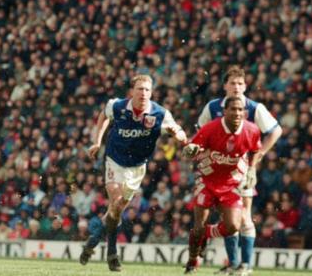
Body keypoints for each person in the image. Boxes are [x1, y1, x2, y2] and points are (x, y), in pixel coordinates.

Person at [79, 74, 188, 272]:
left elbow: (179, 131)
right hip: (115, 161)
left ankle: (93, 241)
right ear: (132, 91)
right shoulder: (118, 106)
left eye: (147, 90)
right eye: (140, 89)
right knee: (115, 199)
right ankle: (112, 254)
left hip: (137, 167)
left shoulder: (160, 113)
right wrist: (97, 140)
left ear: (151, 92)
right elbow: (103, 115)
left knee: (117, 209)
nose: (144, 93)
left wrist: (179, 136)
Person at [198, 66, 281, 276]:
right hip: (218, 171)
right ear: (225, 86)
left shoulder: (254, 108)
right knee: (228, 219)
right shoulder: (213, 107)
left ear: (245, 86)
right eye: (232, 83)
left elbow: (275, 130)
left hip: (242, 170)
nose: (236, 87)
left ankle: (245, 265)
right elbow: (201, 133)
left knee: (244, 216)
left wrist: (259, 155)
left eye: (240, 84)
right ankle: (233, 265)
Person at [183, 97, 262, 274]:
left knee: (233, 226)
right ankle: (192, 261)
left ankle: (206, 233)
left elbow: (256, 149)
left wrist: (252, 169)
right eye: (233, 109)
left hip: (231, 183)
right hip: (207, 180)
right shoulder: (211, 128)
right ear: (224, 111)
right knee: (197, 226)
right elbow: (192, 147)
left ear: (245, 113)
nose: (237, 113)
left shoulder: (252, 130)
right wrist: (190, 150)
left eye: (240, 110)